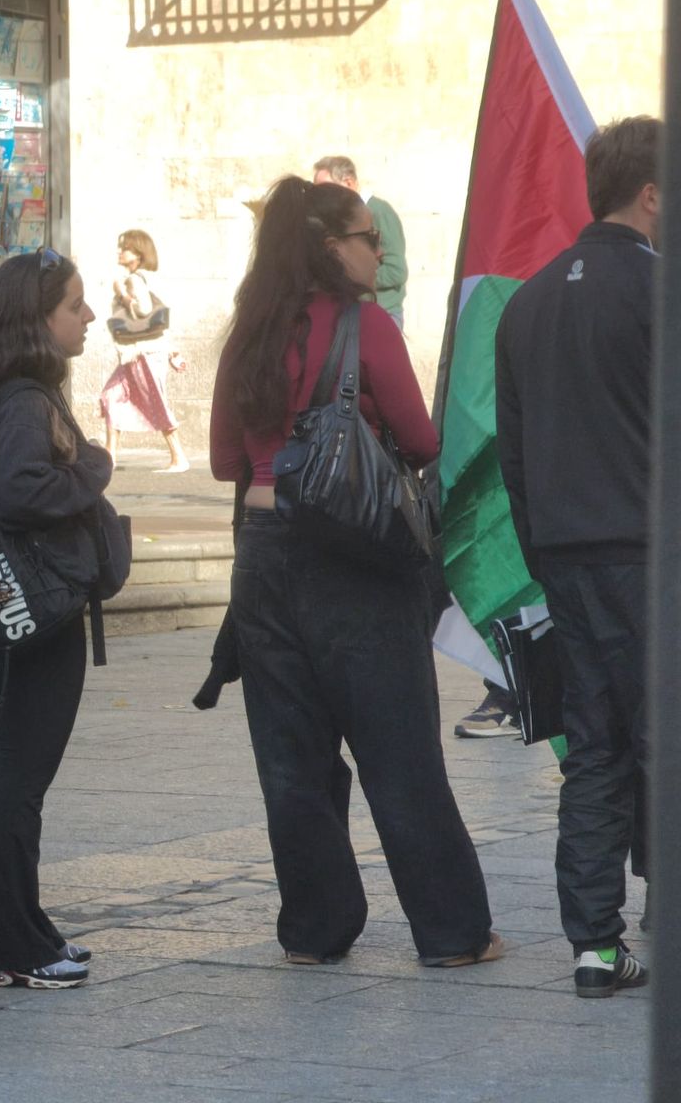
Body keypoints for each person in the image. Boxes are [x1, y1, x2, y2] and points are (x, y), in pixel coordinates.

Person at [209, 176, 501, 968]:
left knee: (292, 757)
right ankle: (450, 933)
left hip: (264, 557)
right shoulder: (364, 327)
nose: (381, 250)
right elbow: (421, 438)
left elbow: (223, 460)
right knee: (399, 750)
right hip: (360, 561)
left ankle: (315, 931)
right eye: (369, 237)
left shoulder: (250, 331)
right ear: (329, 246)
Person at [494, 116, 661, 999]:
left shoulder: (529, 300)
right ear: (652, 194)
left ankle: (594, 943)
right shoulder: (664, 291)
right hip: (653, 555)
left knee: (595, 746)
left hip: (564, 553)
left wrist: (546, 550)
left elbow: (513, 457)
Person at [0, 248, 108, 990]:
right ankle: (6, 941)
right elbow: (20, 492)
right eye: (76, 305)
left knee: (17, 773)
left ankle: (6, 928)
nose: (89, 317)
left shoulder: (0, 394)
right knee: (20, 777)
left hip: (20, 605)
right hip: (40, 611)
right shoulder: (25, 403)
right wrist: (93, 468)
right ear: (39, 320)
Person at [100, 228, 188, 470]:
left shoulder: (134, 280)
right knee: (110, 396)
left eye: (125, 248)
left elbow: (143, 311)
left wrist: (122, 295)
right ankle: (110, 455)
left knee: (155, 401)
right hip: (137, 353)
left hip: (143, 354)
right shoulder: (144, 278)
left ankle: (178, 456)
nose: (120, 251)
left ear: (138, 254)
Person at [313, 156, 407, 328]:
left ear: (348, 183)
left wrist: (350, 279)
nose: (321, 196)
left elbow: (396, 271)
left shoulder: (380, 211)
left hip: (382, 313)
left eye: (326, 188)